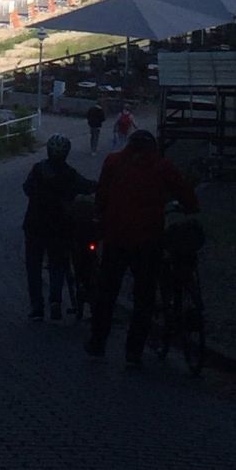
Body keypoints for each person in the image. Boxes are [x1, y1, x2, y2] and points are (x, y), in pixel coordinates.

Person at [86, 129, 199, 365]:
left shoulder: (113, 161)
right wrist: (191, 205)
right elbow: (185, 192)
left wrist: (100, 214)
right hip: (148, 240)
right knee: (144, 297)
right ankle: (133, 351)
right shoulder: (162, 166)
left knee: (107, 293)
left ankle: (98, 343)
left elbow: (101, 195)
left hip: (116, 237)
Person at [22, 134, 95, 321]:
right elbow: (87, 186)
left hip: (35, 225)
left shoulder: (38, 170)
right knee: (57, 264)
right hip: (60, 226)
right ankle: (55, 301)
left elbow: (27, 188)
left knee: (34, 267)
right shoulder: (70, 174)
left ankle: (37, 307)